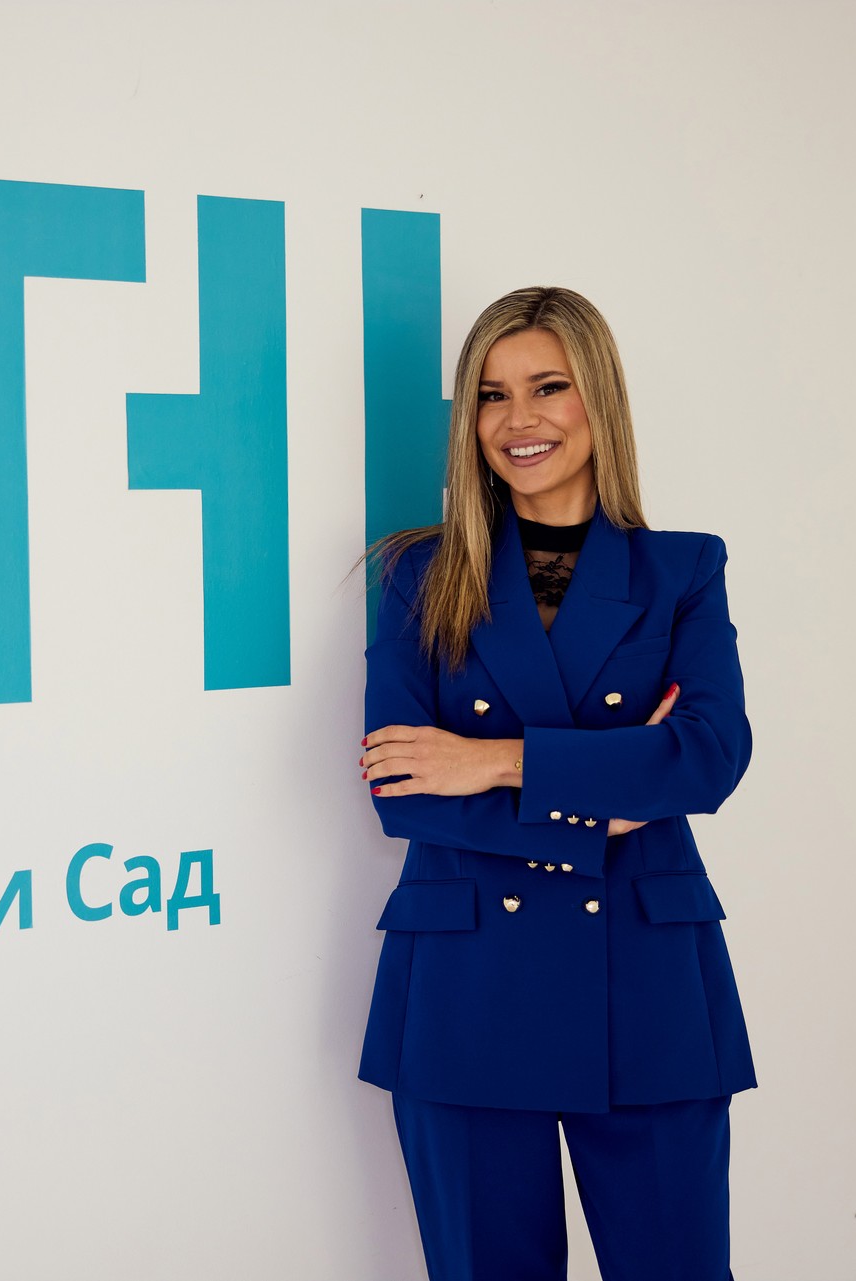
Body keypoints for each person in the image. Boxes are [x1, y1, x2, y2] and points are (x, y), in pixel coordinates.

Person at [357, 285, 756, 1281]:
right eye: (491, 396)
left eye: (547, 387)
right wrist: (609, 798)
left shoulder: (682, 571)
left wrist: (495, 760)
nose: (517, 419)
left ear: (599, 398)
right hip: (468, 988)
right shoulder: (418, 575)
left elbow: (709, 755)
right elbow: (403, 787)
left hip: (648, 983)